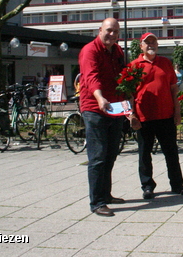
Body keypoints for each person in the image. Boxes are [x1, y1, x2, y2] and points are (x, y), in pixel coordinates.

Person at [129, 32, 183, 200]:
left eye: (153, 42)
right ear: (141, 45)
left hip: (166, 116)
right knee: (144, 154)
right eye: (147, 43)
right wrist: (131, 114)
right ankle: (148, 186)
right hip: (143, 118)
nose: (151, 45)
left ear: (157, 45)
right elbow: (129, 93)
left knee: (171, 153)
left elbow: (173, 90)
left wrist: (177, 112)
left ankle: (177, 184)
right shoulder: (134, 65)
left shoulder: (165, 63)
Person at [78, 18, 127, 217]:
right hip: (95, 108)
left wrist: (127, 103)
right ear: (100, 30)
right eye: (108, 30)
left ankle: (106, 195)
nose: (112, 35)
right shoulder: (90, 50)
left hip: (115, 107)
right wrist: (99, 97)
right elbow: (91, 77)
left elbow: (122, 77)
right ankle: (97, 202)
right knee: (98, 157)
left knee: (111, 153)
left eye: (115, 32)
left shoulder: (117, 51)